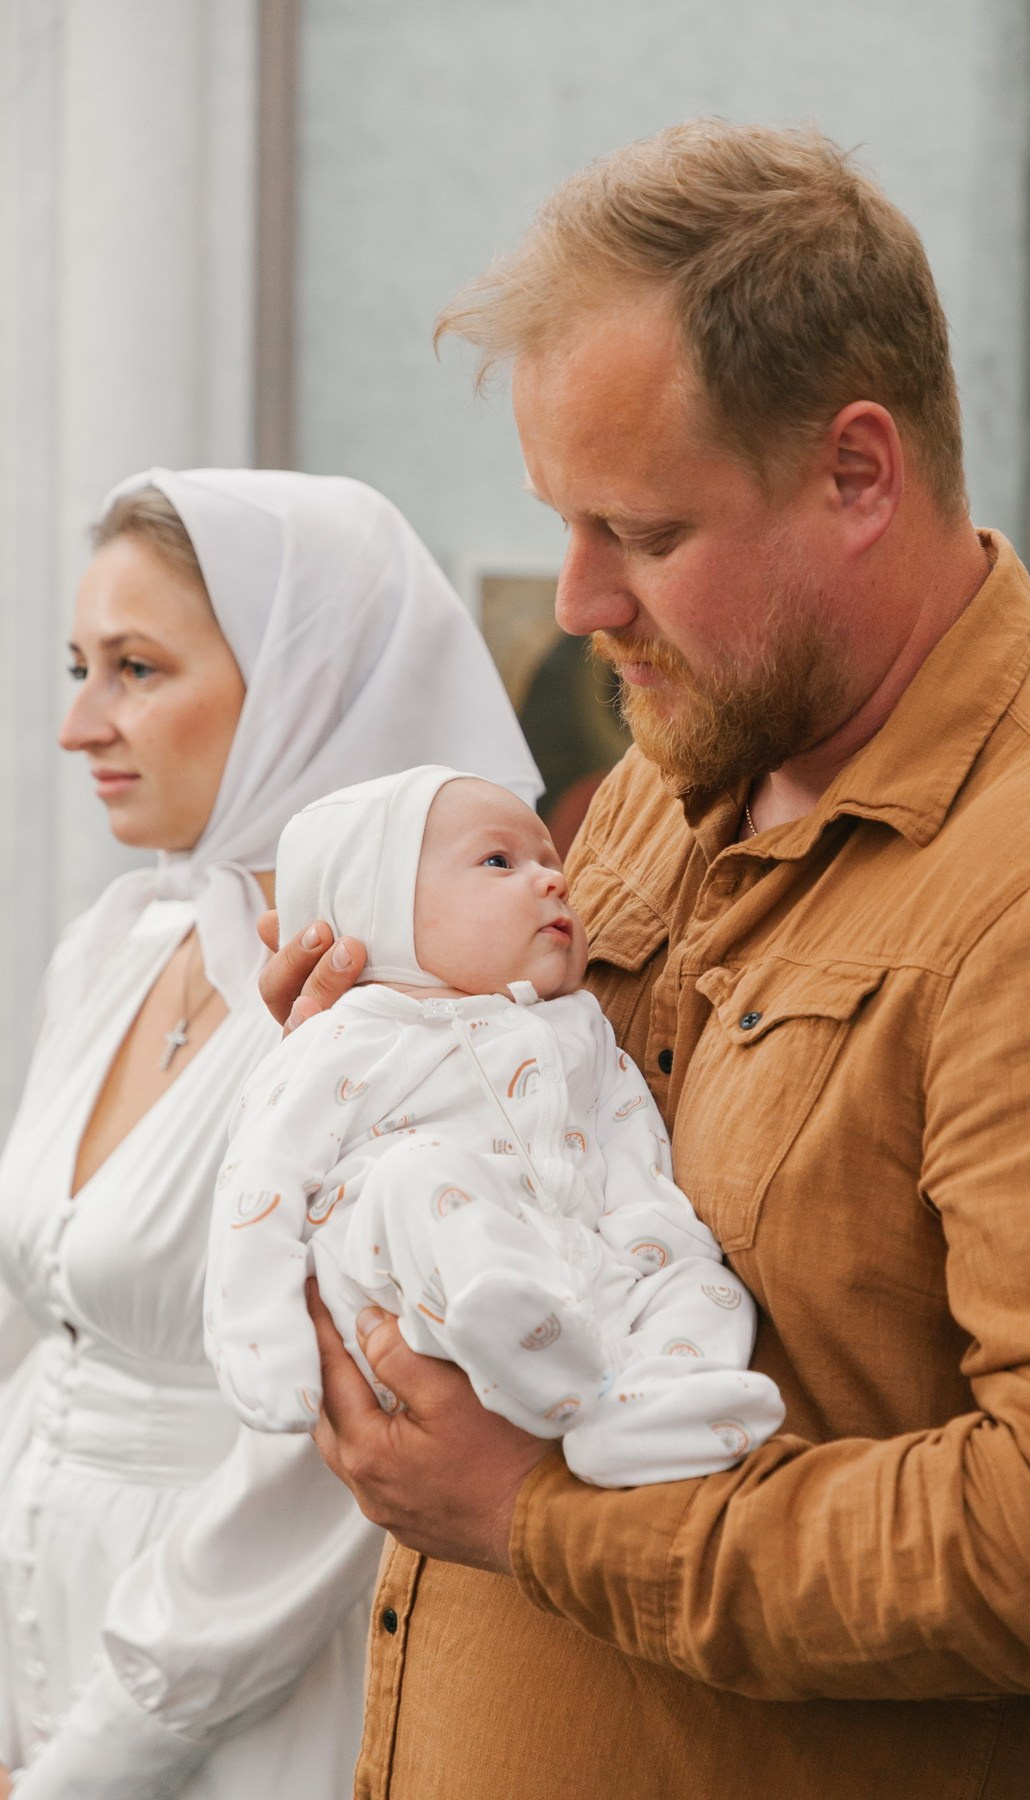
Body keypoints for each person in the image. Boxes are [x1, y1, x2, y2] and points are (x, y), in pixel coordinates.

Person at [263, 123, 1030, 1800]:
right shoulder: (668, 776)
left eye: (641, 531)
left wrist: (543, 1523)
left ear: (859, 475)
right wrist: (387, 1075)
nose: (577, 601)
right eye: (562, 523)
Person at [0, 469, 540, 1799]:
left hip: (236, 1704)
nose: (79, 723)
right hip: (43, 1643)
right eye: (79, 666)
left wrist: (96, 1761)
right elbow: (51, 1355)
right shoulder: (117, 946)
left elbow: (328, 1472)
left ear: (309, 687)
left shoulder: (410, 1017)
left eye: (136, 668)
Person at [205, 766, 784, 1485]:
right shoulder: (346, 1036)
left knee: (704, 1279)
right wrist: (261, 1339)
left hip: (582, 1272)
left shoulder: (581, 1031)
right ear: (378, 909)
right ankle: (511, 1326)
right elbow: (259, 1183)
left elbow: (635, 1158)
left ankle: (637, 1414)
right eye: (499, 861)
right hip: (408, 1279)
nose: (554, 880)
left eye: (550, 860)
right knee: (417, 1174)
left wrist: (654, 1257)